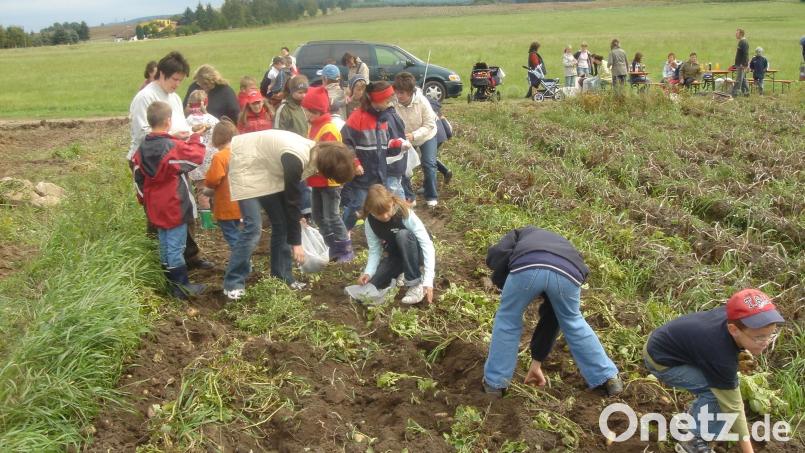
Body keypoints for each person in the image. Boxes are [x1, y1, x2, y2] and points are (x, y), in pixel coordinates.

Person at [483, 226, 623, 397]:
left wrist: (500, 279)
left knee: (508, 318)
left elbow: (497, 253)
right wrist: (537, 362)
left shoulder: (520, 233)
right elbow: (552, 319)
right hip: (568, 273)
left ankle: (495, 384)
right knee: (573, 321)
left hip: (528, 265)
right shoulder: (563, 246)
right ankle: (608, 377)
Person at [644, 288, 784, 453]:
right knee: (716, 394)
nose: (766, 342)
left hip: (670, 344)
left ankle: (690, 420)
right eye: (760, 337)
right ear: (734, 330)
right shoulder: (720, 354)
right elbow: (733, 407)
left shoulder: (735, 319)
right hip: (661, 360)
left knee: (720, 390)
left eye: (770, 334)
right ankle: (692, 440)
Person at [222, 132, 355, 299]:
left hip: (269, 168)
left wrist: (297, 217)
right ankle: (232, 283)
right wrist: (296, 243)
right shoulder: (295, 158)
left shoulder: (316, 154)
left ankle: (282, 278)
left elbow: (291, 196)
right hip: (247, 164)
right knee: (253, 228)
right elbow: (292, 199)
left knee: (283, 224)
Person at [127, 51, 213, 270]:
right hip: (151, 161)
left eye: (180, 80)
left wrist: (192, 131)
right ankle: (158, 261)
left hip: (173, 157)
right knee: (159, 210)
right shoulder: (145, 97)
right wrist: (176, 136)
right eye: (174, 79)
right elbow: (144, 133)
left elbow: (179, 126)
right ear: (161, 75)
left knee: (184, 205)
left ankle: (189, 257)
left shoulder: (173, 97)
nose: (177, 84)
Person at [132, 101, 207, 299]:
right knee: (176, 246)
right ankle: (181, 287)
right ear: (168, 121)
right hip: (174, 203)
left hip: (154, 204)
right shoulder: (172, 147)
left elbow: (138, 177)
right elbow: (195, 157)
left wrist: (144, 200)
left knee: (165, 243)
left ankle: (169, 282)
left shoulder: (142, 148)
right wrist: (196, 137)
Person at [350, 184, 435, 305]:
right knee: (371, 286)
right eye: (378, 214)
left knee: (403, 235)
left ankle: (415, 283)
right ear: (370, 211)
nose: (385, 216)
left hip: (417, 252)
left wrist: (428, 279)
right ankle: (403, 271)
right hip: (397, 256)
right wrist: (368, 272)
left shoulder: (405, 214)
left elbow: (426, 244)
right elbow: (375, 250)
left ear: (392, 202)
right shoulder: (370, 222)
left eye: (387, 210)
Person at [341, 81, 406, 231]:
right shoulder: (357, 117)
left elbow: (385, 146)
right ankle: (344, 231)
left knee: (380, 204)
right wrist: (355, 162)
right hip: (363, 174)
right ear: (376, 100)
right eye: (387, 100)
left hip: (380, 173)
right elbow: (346, 143)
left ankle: (382, 232)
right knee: (358, 204)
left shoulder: (383, 119)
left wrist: (397, 145)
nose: (390, 103)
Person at [302, 86, 356, 262]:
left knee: (332, 215)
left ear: (315, 111)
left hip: (329, 182)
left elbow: (332, 159)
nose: (304, 113)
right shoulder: (314, 126)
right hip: (316, 181)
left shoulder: (328, 129)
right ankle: (332, 245)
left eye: (306, 110)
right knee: (318, 215)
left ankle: (344, 248)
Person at [392, 72, 439, 206]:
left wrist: (414, 135)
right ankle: (409, 196)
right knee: (402, 166)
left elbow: (430, 124)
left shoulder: (422, 102)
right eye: (397, 92)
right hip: (406, 139)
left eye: (402, 93)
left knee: (429, 163)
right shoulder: (393, 103)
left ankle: (431, 195)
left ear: (410, 92)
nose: (398, 96)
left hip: (426, 135)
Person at [204, 120, 242, 250]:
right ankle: (244, 260)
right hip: (241, 203)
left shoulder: (220, 157)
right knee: (237, 232)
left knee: (232, 236)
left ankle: (242, 263)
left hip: (226, 204)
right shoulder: (240, 153)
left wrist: (207, 186)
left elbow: (213, 179)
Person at [185, 89, 219, 212]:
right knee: (217, 189)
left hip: (197, 161)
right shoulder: (213, 120)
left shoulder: (187, 121)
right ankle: (220, 215)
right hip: (213, 161)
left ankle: (206, 221)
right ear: (205, 103)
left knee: (202, 191)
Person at [731, 28, 750, 97]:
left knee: (738, 79)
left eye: (737, 33)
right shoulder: (741, 42)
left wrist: (743, 64)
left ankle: (734, 94)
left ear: (741, 34)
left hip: (741, 65)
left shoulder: (743, 42)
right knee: (743, 80)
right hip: (739, 64)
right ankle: (746, 93)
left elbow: (745, 54)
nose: (735, 34)